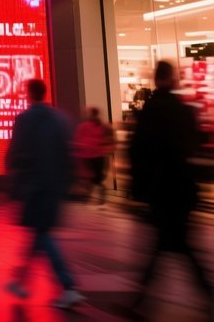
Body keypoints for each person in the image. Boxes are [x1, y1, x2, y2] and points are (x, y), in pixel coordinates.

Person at [129, 60, 212, 311]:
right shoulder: (183, 111)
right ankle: (142, 300)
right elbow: (192, 148)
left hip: (158, 189)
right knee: (174, 244)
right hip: (181, 187)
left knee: (170, 244)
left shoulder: (149, 112)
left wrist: (138, 187)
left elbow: (137, 152)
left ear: (156, 79)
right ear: (174, 79)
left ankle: (141, 301)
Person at [5, 79, 82, 310]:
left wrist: (8, 187)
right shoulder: (60, 119)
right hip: (55, 185)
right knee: (39, 235)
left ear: (29, 94)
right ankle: (21, 281)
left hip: (34, 186)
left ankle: (68, 286)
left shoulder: (24, 120)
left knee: (43, 236)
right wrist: (71, 181)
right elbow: (69, 152)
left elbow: (15, 154)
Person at [72, 107, 113, 206]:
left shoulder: (84, 126)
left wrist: (78, 148)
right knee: (96, 178)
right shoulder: (102, 126)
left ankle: (89, 197)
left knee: (91, 178)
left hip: (88, 156)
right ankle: (97, 198)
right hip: (96, 155)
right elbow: (107, 140)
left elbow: (77, 139)